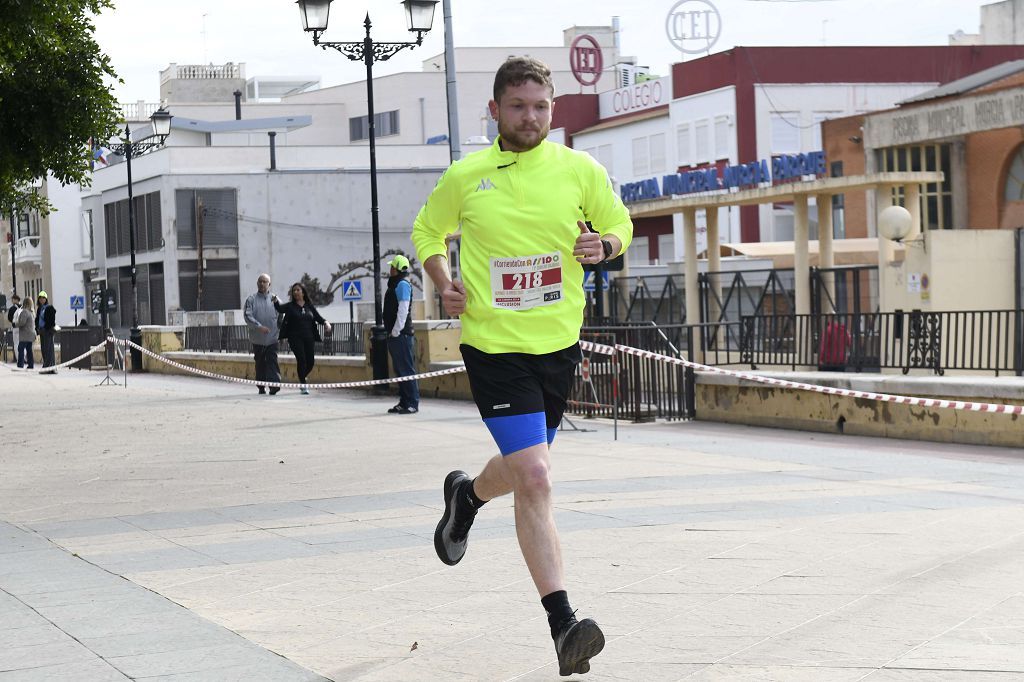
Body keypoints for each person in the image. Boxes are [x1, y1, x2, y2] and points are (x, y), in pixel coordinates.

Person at [412, 56, 632, 677]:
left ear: (552, 110)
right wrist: (443, 281)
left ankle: (466, 495)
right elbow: (427, 232)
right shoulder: (468, 174)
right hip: (494, 344)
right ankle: (564, 623)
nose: (529, 117)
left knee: (521, 468)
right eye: (517, 106)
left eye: (539, 106)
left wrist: (603, 246)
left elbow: (620, 225)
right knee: (536, 475)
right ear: (495, 111)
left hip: (559, 344)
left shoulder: (579, 169)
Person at [276, 282, 330, 395]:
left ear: (303, 292)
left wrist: (326, 323)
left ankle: (302, 376)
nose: (295, 292)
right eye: (294, 290)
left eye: (298, 290)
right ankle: (303, 383)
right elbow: (280, 309)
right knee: (302, 360)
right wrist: (275, 301)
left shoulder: (309, 306)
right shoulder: (290, 306)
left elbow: (318, 317)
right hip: (295, 338)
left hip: (309, 337)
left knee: (310, 361)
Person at [383, 255, 420, 415]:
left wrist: (396, 331)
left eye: (392, 267)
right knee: (400, 370)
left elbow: (403, 310)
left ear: (398, 269)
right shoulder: (396, 284)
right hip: (395, 334)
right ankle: (404, 401)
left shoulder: (403, 284)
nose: (390, 270)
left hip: (401, 335)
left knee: (406, 369)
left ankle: (412, 403)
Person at [243, 273, 282, 395]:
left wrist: (282, 333)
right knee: (260, 362)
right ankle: (261, 386)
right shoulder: (251, 299)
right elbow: (247, 315)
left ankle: (274, 386)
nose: (262, 284)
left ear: (269, 284)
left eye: (264, 281)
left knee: (272, 361)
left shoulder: (276, 299)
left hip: (272, 338)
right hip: (258, 339)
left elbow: (282, 316)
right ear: (257, 283)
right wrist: (259, 327)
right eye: (260, 281)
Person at [35, 291, 57, 373]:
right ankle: (49, 367)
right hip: (41, 330)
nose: (41, 299)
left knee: (49, 349)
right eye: (40, 298)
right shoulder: (39, 309)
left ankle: (48, 367)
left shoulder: (49, 308)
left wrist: (47, 327)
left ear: (46, 299)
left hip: (47, 331)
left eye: (43, 298)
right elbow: (37, 319)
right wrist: (37, 328)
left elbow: (52, 320)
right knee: (44, 349)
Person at [14, 299, 34, 369]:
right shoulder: (31, 312)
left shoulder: (24, 312)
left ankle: (20, 365)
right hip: (30, 335)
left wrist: (15, 324)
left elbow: (22, 322)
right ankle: (31, 365)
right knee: (29, 350)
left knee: (21, 349)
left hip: (25, 335)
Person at [7, 294, 21, 361]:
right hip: (22, 328)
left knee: (16, 343)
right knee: (22, 343)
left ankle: (18, 358)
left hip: (15, 327)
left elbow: (9, 318)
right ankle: (24, 358)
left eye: (13, 299)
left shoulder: (12, 308)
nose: (12, 301)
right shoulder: (22, 307)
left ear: (15, 300)